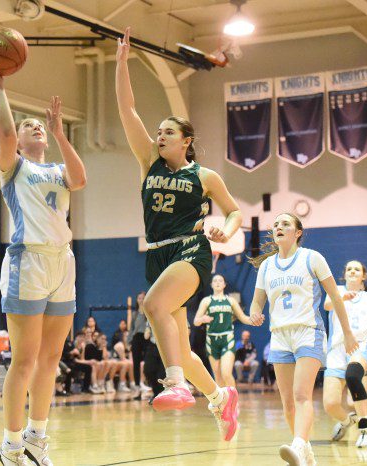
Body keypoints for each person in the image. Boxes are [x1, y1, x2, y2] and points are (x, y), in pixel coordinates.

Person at [116, 26, 245, 441]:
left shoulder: (204, 175)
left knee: (153, 306)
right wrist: (121, 65)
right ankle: (219, 397)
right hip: (155, 255)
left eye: (169, 131)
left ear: (186, 141)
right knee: (183, 349)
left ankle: (176, 385)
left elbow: (235, 211)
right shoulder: (147, 163)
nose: (160, 135)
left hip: (190, 251)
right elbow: (127, 111)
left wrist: (225, 230)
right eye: (159, 131)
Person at [0, 48, 87, 466]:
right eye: (30, 126)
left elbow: (80, 179)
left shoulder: (59, 169)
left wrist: (59, 131)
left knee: (51, 358)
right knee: (24, 358)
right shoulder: (14, 167)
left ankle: (37, 437)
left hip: (63, 262)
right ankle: (9, 444)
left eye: (38, 125)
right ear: (20, 141)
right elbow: (5, 135)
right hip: (28, 261)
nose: (34, 128)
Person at [249, 213, 358, 465]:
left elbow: (336, 297)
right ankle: (306, 451)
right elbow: (257, 300)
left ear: (298, 232)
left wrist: (348, 333)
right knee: (287, 403)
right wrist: (255, 312)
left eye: (285, 224)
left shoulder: (312, 258)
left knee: (301, 395)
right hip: (279, 336)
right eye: (276, 224)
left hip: (308, 332)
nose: (279, 227)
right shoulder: (266, 266)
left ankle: (298, 445)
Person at [323, 260, 367, 449]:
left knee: (353, 376)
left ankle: (365, 430)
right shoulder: (337, 290)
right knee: (330, 404)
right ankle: (347, 421)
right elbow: (327, 305)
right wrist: (343, 298)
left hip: (359, 346)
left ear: (363, 275)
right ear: (345, 274)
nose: (353, 271)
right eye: (349, 269)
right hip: (336, 351)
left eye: (357, 269)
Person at [194, 274, 254, 387]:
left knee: (226, 373)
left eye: (220, 280)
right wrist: (202, 319)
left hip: (227, 339)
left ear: (224, 284)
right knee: (218, 376)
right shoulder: (206, 301)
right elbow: (195, 321)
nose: (217, 282)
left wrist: (254, 320)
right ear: (211, 284)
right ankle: (222, 403)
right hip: (212, 341)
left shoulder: (231, 300)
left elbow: (243, 317)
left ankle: (233, 401)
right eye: (215, 281)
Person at [128, 291, 150, 393]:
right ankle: (137, 384)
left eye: (143, 298)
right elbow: (131, 329)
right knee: (136, 363)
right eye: (139, 298)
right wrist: (128, 342)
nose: (141, 300)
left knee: (148, 362)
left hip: (146, 339)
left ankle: (146, 382)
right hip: (136, 339)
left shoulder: (149, 312)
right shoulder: (134, 314)